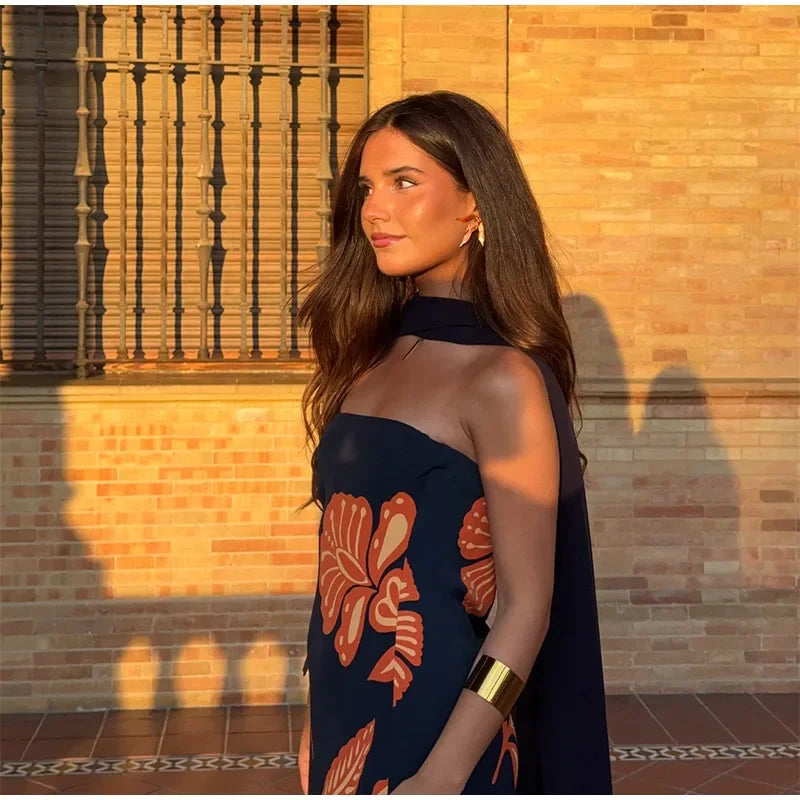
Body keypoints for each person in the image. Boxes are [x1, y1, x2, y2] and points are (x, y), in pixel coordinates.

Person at [294, 90, 611, 794]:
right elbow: (335, 569)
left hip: (443, 729)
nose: (376, 209)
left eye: (407, 183)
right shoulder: (371, 358)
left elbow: (528, 609)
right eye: (366, 188)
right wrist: (316, 715)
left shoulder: (502, 379)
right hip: (346, 716)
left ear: (475, 204)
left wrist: (443, 773)